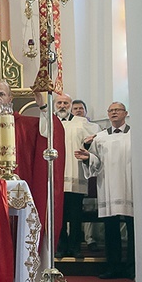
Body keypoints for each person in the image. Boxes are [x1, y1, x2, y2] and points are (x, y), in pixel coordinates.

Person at [0, 81, 65, 243]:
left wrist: (43, 106)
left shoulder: (25, 124)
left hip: (17, 196)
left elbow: (50, 132)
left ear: (10, 98)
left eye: (1, 94)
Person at [75, 102, 133, 279]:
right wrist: (87, 157)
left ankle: (133, 268)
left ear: (125, 113)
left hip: (130, 186)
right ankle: (113, 266)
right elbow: (96, 163)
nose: (114, 113)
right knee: (111, 229)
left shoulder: (135, 134)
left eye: (117, 110)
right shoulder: (99, 137)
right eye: (111, 110)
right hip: (108, 186)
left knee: (133, 229)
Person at [52, 94, 100, 259]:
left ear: (70, 105)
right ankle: (60, 246)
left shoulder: (81, 122)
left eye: (66, 103)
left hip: (75, 173)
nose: (62, 105)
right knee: (59, 213)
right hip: (56, 175)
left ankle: (75, 247)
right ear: (55, 105)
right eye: (59, 103)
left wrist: (87, 144)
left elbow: (95, 139)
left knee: (75, 214)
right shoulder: (49, 121)